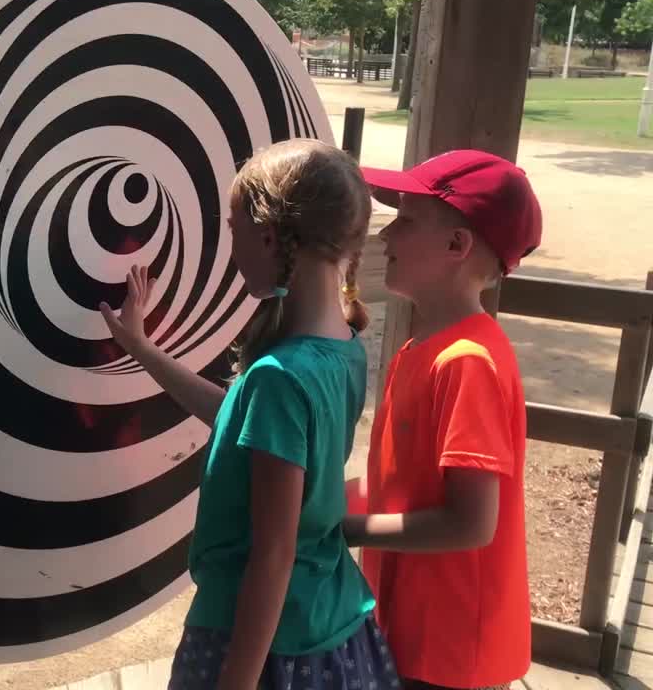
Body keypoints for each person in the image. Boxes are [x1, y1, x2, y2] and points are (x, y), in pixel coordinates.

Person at [101, 139, 399, 690]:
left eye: (233, 229)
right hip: (330, 627)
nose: (231, 248)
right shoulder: (345, 349)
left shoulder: (278, 378)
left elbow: (273, 554)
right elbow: (242, 422)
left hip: (259, 646)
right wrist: (143, 350)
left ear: (268, 236)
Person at [344, 149, 543, 690]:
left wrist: (340, 530)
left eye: (406, 220)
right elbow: (401, 484)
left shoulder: (467, 364)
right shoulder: (421, 349)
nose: (386, 237)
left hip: (452, 653)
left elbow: (471, 523)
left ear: (458, 246)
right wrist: (318, 500)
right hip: (412, 632)